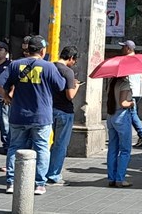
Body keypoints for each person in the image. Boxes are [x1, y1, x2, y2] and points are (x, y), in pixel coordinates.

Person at [0, 35, 66, 195]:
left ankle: (11, 182)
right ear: (42, 51)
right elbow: (61, 86)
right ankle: (39, 184)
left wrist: (7, 98)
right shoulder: (49, 67)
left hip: (18, 114)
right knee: (42, 148)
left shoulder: (15, 65)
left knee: (14, 147)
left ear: (28, 49)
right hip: (41, 116)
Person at [47, 46, 82, 185]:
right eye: (75, 60)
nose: (74, 63)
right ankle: (54, 174)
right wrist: (77, 86)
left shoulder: (49, 67)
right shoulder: (68, 72)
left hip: (49, 109)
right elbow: (70, 95)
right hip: (64, 111)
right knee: (60, 144)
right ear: (71, 58)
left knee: (45, 143)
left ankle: (44, 170)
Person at [119, 40, 142, 147]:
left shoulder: (126, 60)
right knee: (131, 113)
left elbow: (123, 76)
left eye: (123, 47)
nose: (121, 49)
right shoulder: (140, 60)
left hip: (130, 90)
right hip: (138, 91)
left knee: (132, 113)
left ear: (128, 48)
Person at [105, 76, 134, 187]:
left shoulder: (111, 83)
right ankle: (120, 179)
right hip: (121, 116)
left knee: (112, 148)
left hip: (110, 116)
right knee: (125, 150)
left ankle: (111, 178)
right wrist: (131, 103)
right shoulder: (124, 83)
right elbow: (123, 103)